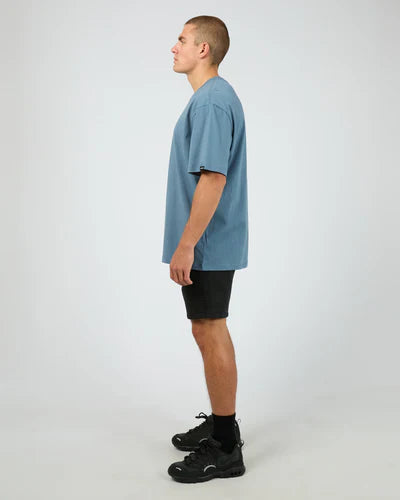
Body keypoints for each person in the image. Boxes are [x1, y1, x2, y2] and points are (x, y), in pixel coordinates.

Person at [161, 15, 249, 483]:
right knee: (206, 328)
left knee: (210, 330)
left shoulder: (212, 101)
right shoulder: (210, 98)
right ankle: (219, 425)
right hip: (207, 241)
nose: (173, 47)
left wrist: (187, 244)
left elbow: (213, 178)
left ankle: (226, 446)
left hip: (207, 242)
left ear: (204, 50)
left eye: (182, 39)